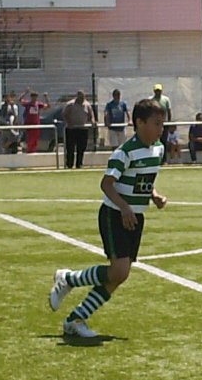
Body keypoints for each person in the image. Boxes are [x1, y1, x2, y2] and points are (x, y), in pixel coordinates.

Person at [48, 99, 167, 338]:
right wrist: (123, 208)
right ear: (139, 123)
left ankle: (75, 319)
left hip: (135, 217)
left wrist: (153, 195)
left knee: (118, 276)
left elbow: (143, 180)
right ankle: (68, 279)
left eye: (162, 124)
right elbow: (106, 184)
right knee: (119, 271)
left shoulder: (158, 149)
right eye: (156, 123)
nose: (161, 129)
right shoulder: (124, 152)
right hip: (115, 215)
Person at [62, 90, 96, 169]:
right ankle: (69, 164)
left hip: (82, 129)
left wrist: (93, 121)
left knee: (81, 148)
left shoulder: (87, 104)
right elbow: (64, 114)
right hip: (71, 129)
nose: (82, 99)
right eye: (80, 97)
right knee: (70, 148)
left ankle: (79, 164)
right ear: (77, 96)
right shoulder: (70, 104)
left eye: (83, 97)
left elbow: (91, 114)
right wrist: (69, 122)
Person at [18, 88, 50, 153]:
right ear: (31, 97)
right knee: (30, 138)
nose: (34, 98)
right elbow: (20, 100)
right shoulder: (28, 104)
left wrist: (46, 98)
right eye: (33, 97)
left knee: (35, 138)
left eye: (35, 97)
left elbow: (48, 106)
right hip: (29, 123)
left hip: (36, 123)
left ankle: (34, 150)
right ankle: (29, 150)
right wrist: (25, 92)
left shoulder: (38, 104)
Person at [150, 83, 172, 163]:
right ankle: (152, 158)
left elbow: (169, 111)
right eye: (156, 91)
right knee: (153, 141)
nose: (158, 92)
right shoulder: (151, 100)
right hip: (154, 124)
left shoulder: (166, 99)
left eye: (159, 90)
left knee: (163, 141)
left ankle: (164, 160)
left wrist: (168, 123)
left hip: (163, 123)